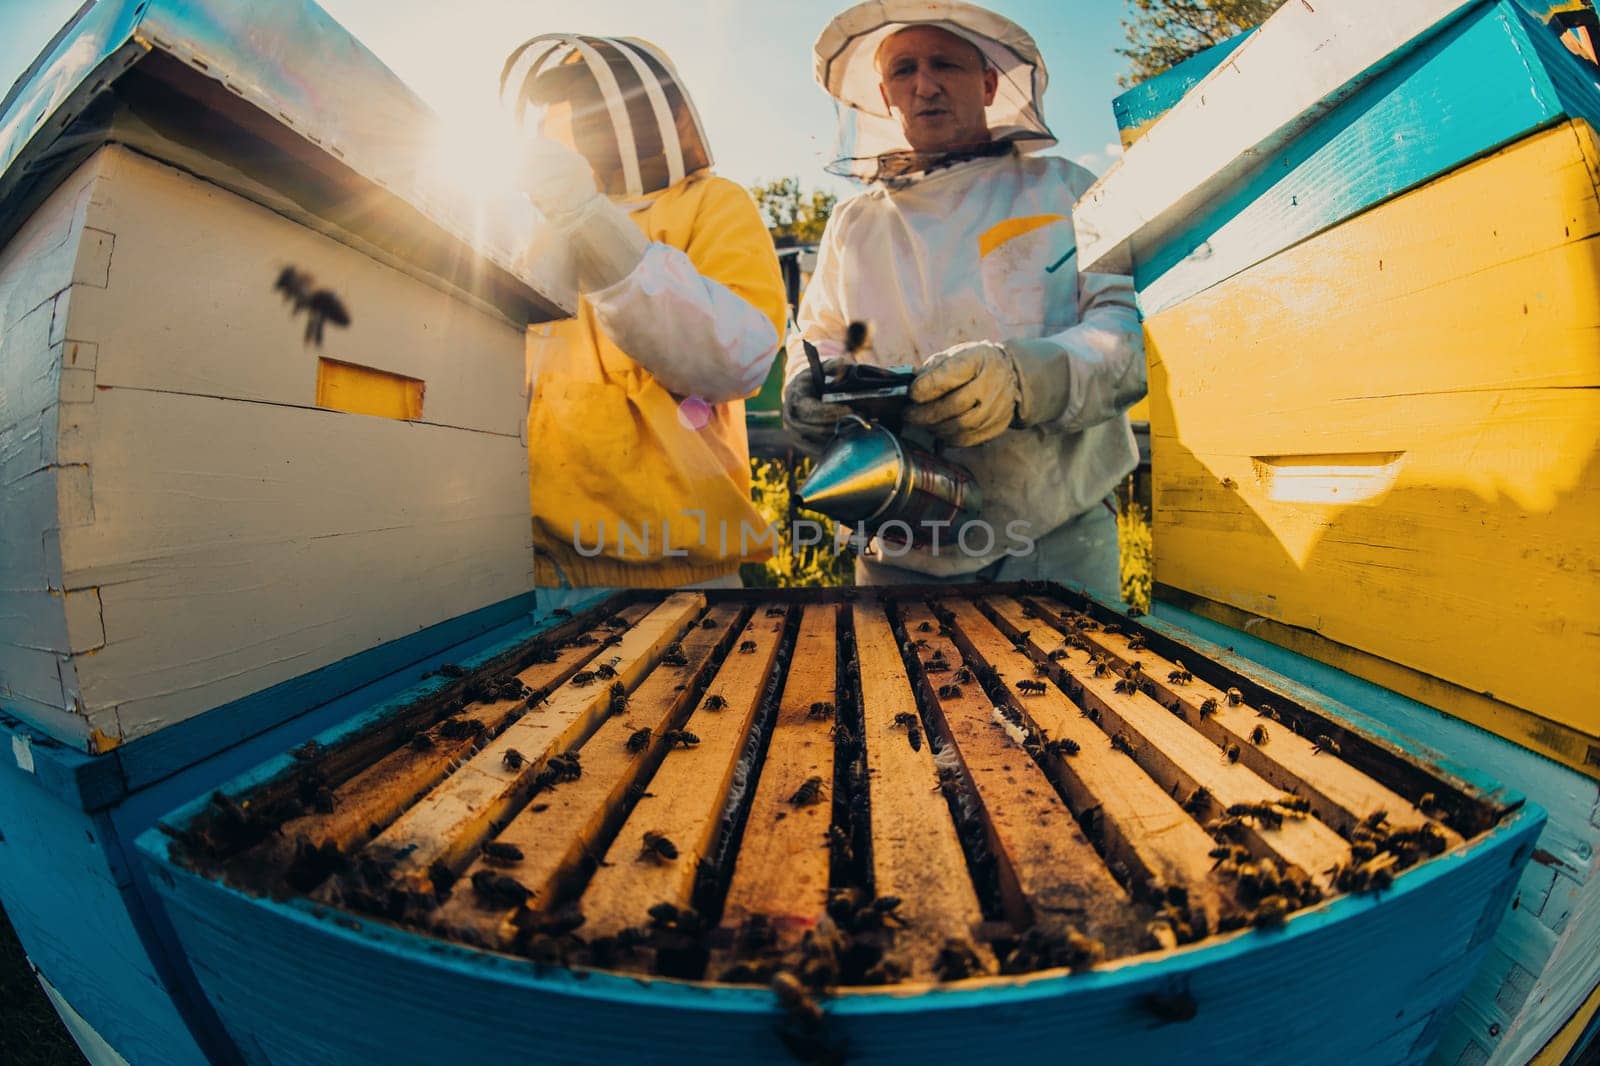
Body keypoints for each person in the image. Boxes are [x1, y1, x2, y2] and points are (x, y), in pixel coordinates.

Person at [783, 1, 1145, 594]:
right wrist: (806, 384)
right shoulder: (854, 221)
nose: (924, 85)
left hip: (1056, 543)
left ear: (987, 82)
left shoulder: (1067, 188)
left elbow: (1125, 335)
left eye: (945, 64)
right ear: (884, 95)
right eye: (904, 71)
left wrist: (1024, 379)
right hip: (896, 546)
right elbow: (818, 333)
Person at [502, 34, 787, 604]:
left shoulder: (711, 202)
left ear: (651, 107)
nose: (582, 116)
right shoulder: (535, 229)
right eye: (571, 102)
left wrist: (595, 225)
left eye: (600, 98)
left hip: (682, 576)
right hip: (535, 570)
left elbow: (739, 355)